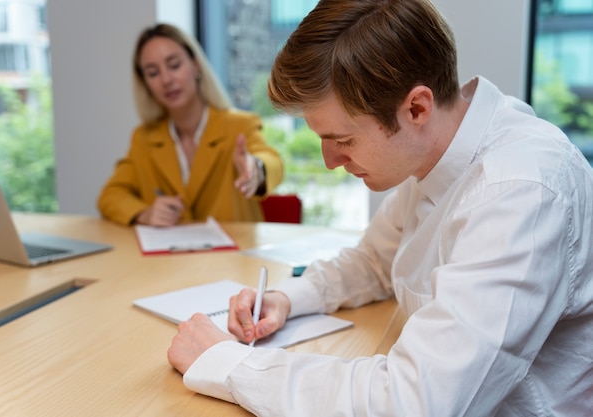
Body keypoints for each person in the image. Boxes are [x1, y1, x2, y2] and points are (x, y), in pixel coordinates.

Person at [167, 0, 593, 415]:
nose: (330, 161)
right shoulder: (438, 151)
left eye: (344, 140)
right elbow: (374, 261)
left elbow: (416, 402)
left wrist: (227, 363)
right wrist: (286, 299)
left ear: (416, 108)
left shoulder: (519, 191)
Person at [97, 23, 283, 226]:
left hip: (233, 256)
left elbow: (273, 162)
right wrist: (145, 213)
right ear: (145, 83)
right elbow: (110, 196)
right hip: (170, 256)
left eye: (174, 65)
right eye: (153, 73)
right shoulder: (144, 138)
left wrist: (255, 168)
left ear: (195, 65)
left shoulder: (238, 125)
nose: (166, 79)